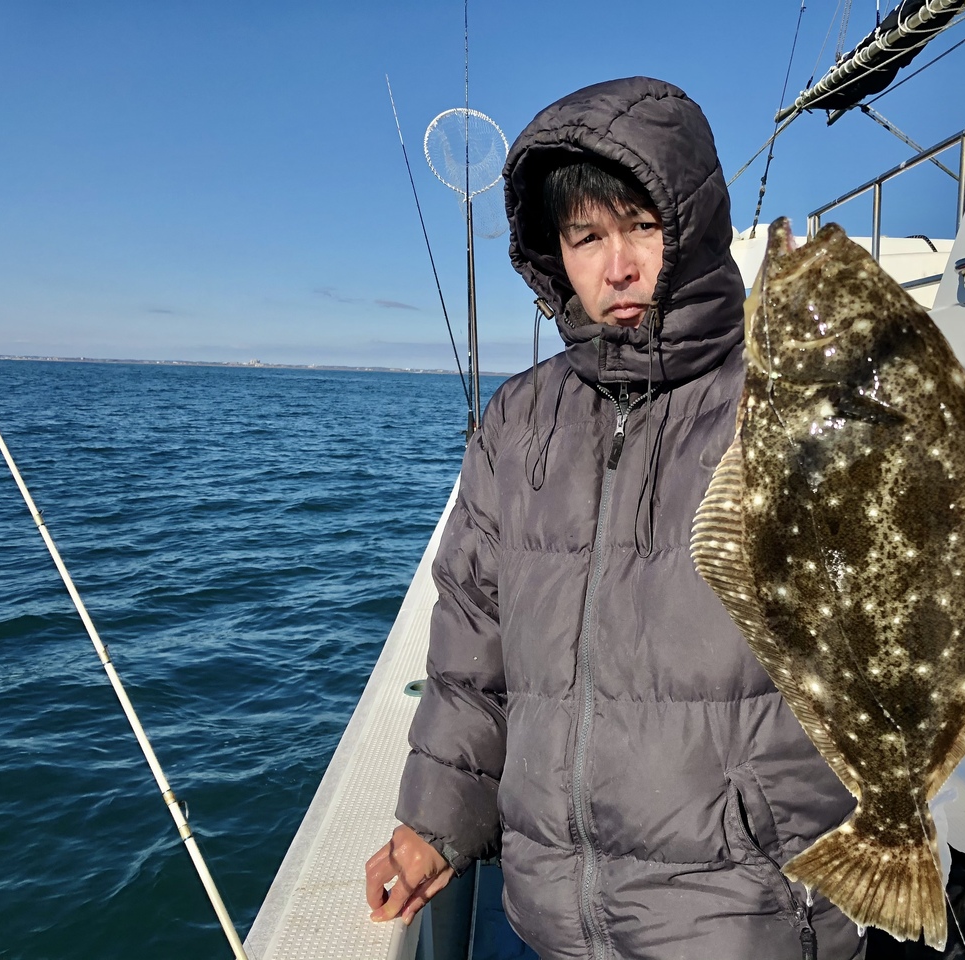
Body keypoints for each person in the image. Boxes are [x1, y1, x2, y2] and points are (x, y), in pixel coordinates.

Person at [365, 76, 865, 959]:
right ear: (555, 255)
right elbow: (471, 654)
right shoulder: (518, 421)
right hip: (552, 914)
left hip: (743, 913)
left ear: (695, 228)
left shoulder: (795, 403)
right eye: (585, 236)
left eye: (642, 226)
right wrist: (434, 822)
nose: (618, 265)